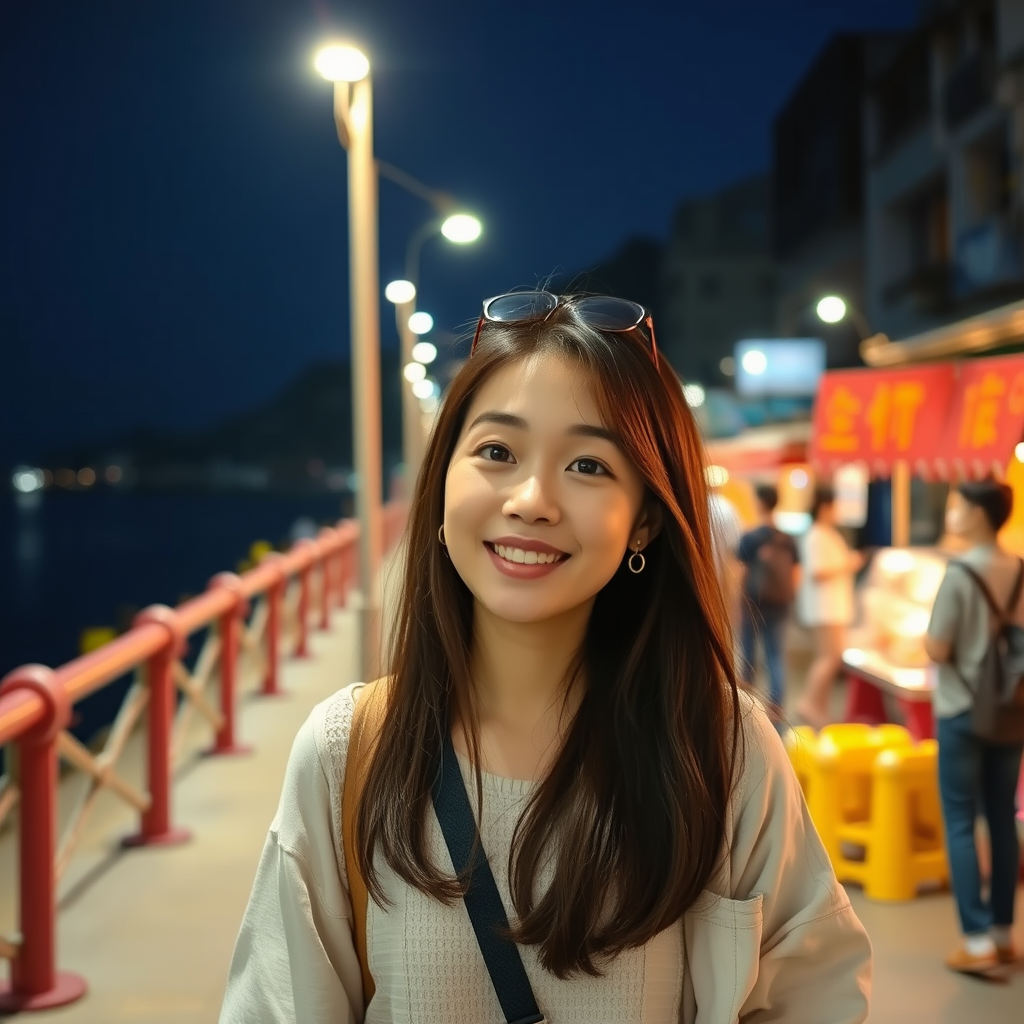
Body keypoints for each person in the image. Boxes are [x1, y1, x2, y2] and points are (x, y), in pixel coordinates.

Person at [220, 291, 871, 1023]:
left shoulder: (720, 749)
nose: (533, 500)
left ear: (645, 521)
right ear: (439, 487)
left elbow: (815, 993)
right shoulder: (348, 753)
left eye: (589, 465)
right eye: (497, 452)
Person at [924, 478, 1024, 976]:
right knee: (1003, 818)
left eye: (957, 505)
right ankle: (1006, 934)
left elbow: (937, 648)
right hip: (1011, 710)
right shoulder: (1021, 569)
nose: (951, 512)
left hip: (963, 709)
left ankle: (977, 940)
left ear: (979, 514)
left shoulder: (961, 573)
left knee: (961, 820)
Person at [795, 485, 863, 729]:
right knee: (829, 658)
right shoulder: (817, 535)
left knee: (829, 657)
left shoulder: (825, 534)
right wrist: (848, 564)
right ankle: (810, 703)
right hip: (825, 608)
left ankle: (818, 707)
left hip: (831, 607)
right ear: (825, 507)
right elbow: (818, 572)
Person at [737, 483, 799, 716]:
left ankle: (745, 711)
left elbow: (740, 571)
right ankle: (776, 713)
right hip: (781, 605)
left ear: (760, 503)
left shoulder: (751, 537)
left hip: (754, 603)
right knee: (776, 657)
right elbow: (796, 574)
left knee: (749, 658)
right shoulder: (787, 539)